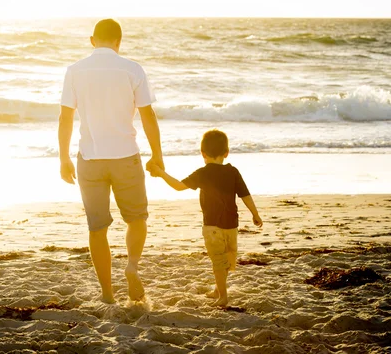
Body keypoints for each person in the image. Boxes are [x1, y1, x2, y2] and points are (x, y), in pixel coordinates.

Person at [58, 19, 164, 304]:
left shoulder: (75, 71)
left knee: (97, 229)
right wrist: (157, 155)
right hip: (126, 157)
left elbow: (66, 117)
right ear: (119, 41)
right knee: (137, 219)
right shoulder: (132, 69)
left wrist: (63, 158)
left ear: (92, 40)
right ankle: (131, 265)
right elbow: (148, 116)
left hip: (90, 159)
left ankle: (107, 293)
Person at [149, 129, 263, 306]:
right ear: (226, 153)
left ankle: (223, 297)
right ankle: (218, 290)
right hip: (232, 224)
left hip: (212, 225)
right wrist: (255, 214)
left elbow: (179, 186)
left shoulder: (203, 173)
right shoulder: (233, 171)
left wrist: (161, 173)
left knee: (218, 260)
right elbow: (245, 195)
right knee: (226, 258)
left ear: (202, 153)